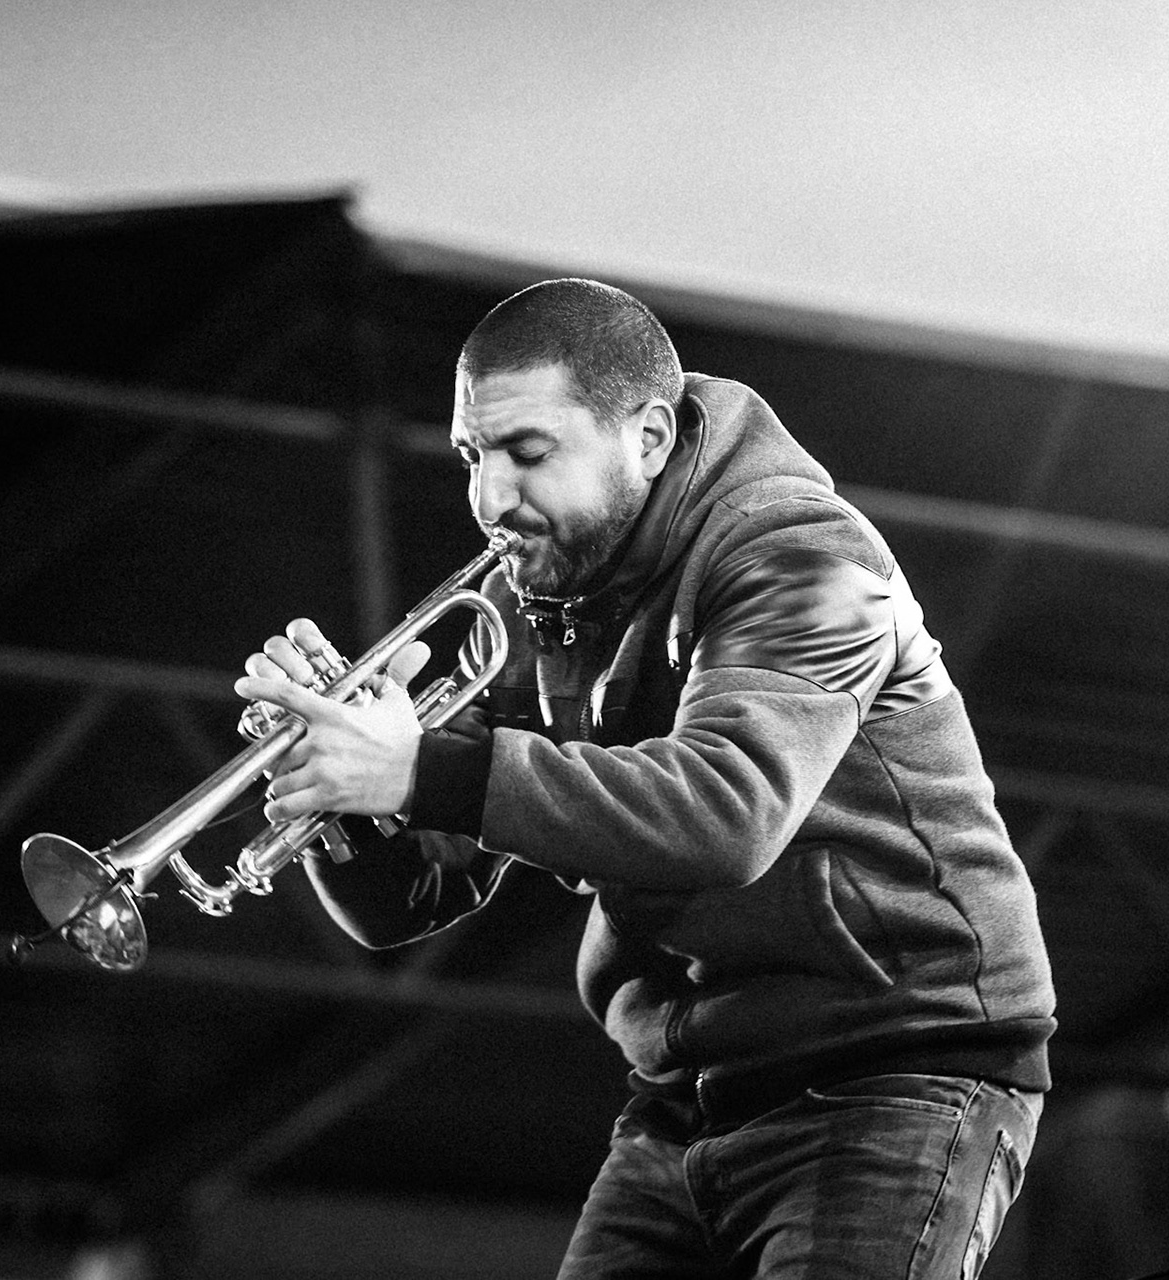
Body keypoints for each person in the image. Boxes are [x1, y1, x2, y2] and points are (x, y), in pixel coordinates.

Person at [234, 278, 1056, 1279]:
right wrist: (345, 791)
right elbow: (415, 897)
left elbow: (725, 812)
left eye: (529, 453)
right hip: (682, 1095)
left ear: (652, 438)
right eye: (471, 457)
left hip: (896, 1066)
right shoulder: (525, 595)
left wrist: (418, 765)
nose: (492, 497)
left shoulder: (801, 556)